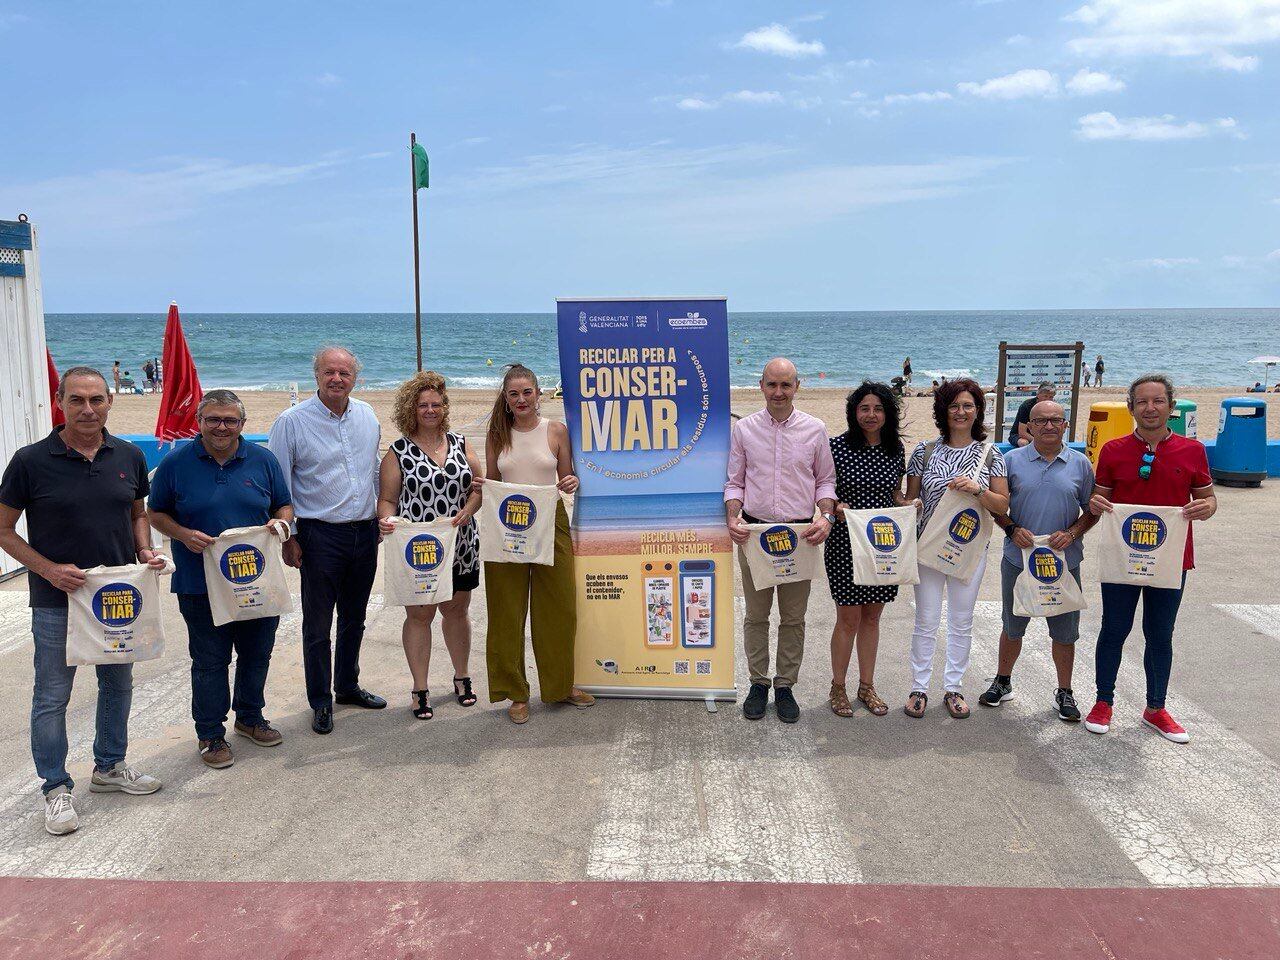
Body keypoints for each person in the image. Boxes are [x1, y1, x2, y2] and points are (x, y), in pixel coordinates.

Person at [0, 366, 165, 836]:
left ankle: (110, 767)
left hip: (117, 596)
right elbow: (3, 530)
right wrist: (48, 569)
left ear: (110, 401)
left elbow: (138, 513)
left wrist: (145, 551)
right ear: (60, 401)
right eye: (77, 400)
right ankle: (54, 787)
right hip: (57, 600)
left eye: (96, 400)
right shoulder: (30, 462)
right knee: (52, 695)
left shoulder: (129, 456)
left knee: (118, 684)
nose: (88, 409)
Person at [148, 390, 293, 768]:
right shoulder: (177, 463)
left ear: (242, 424)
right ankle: (211, 734)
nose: (222, 427)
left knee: (257, 653)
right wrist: (181, 534)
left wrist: (282, 522)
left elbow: (284, 503)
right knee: (210, 661)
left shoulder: (263, 460)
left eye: (230, 420)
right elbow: (155, 513)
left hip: (257, 581)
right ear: (199, 421)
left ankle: (249, 718)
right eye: (214, 419)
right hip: (200, 584)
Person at [1084, 374, 1215, 744]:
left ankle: (1155, 708)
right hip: (1122, 558)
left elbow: (1209, 500)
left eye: (1158, 401)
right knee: (1114, 628)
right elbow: (1099, 500)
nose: (1150, 408)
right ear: (1131, 408)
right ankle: (1103, 701)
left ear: (1171, 407)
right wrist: (1095, 504)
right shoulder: (1112, 450)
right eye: (1142, 402)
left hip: (1172, 559)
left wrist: (1205, 508)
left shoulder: (1192, 451)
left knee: (1160, 633)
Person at [267, 346, 385, 735]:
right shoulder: (291, 422)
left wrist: (378, 520)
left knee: (355, 619)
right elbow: (279, 486)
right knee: (317, 626)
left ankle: (347, 686)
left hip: (364, 532)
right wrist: (291, 537)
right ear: (316, 375)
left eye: (345, 373)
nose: (337, 379)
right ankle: (320, 700)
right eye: (329, 372)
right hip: (320, 535)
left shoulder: (367, 414)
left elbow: (372, 474)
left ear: (356, 377)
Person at [725, 358, 836, 723]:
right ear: (760, 386)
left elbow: (825, 481)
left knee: (793, 618)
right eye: (772, 385)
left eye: (785, 385)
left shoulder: (815, 429)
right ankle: (758, 684)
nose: (778, 392)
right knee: (756, 617)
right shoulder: (744, 431)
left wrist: (826, 515)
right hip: (755, 535)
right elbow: (735, 481)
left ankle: (785, 685)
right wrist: (733, 514)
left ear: (797, 386)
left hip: (799, 535)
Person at [480, 363, 592, 724]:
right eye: (514, 393)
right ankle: (515, 692)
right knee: (506, 612)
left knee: (560, 608)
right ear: (506, 398)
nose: (521, 399)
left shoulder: (556, 431)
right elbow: (492, 485)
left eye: (527, 391)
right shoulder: (498, 434)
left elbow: (566, 475)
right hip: (507, 525)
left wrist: (572, 482)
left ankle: (560, 686)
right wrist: (477, 489)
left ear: (538, 393)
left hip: (550, 521)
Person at [980, 399, 1097, 721]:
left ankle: (1065, 690)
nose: (1048, 426)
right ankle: (1003, 681)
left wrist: (1072, 534)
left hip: (1064, 561)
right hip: (1018, 560)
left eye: (1055, 420)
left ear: (1065, 425)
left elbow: (1091, 510)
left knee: (1064, 631)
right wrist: (1011, 529)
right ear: (1027, 426)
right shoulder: (1010, 460)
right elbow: (997, 506)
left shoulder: (1080, 464)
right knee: (1012, 625)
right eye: (1040, 421)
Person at [377, 371, 482, 720]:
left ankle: (462, 676)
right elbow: (388, 500)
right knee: (420, 615)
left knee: (456, 611)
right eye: (423, 404)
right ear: (412, 409)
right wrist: (386, 521)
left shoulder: (461, 442)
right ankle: (420, 688)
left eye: (436, 404)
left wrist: (469, 509)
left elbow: (477, 489)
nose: (430, 410)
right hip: (418, 549)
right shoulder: (398, 452)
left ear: (444, 407)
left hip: (461, 543)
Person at [904, 377, 1009, 720]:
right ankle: (919, 686)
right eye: (954, 405)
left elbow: (1002, 506)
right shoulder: (925, 450)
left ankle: (954, 687)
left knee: (962, 620)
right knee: (926, 620)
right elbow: (909, 498)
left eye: (968, 405)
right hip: (928, 545)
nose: (961, 412)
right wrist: (908, 504)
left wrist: (977, 490)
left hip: (969, 549)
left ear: (978, 411)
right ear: (943, 410)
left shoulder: (992, 453)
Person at [824, 381, 917, 718]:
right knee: (847, 618)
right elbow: (821, 489)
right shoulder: (835, 447)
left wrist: (909, 504)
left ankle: (867, 686)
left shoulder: (895, 450)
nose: (871, 415)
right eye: (864, 408)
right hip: (846, 544)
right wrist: (835, 506)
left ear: (887, 413)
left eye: (878, 408)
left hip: (882, 545)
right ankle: (838, 686)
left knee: (873, 617)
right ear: (854, 412)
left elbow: (895, 495)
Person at [1013, 382, 1056, 447]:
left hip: (1040, 434)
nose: (1048, 399)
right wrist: (1039, 442)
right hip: (1020, 435)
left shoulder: (1053, 406)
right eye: (1045, 396)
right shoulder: (1027, 406)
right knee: (1024, 443)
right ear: (1038, 395)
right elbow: (1022, 432)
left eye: (1051, 397)